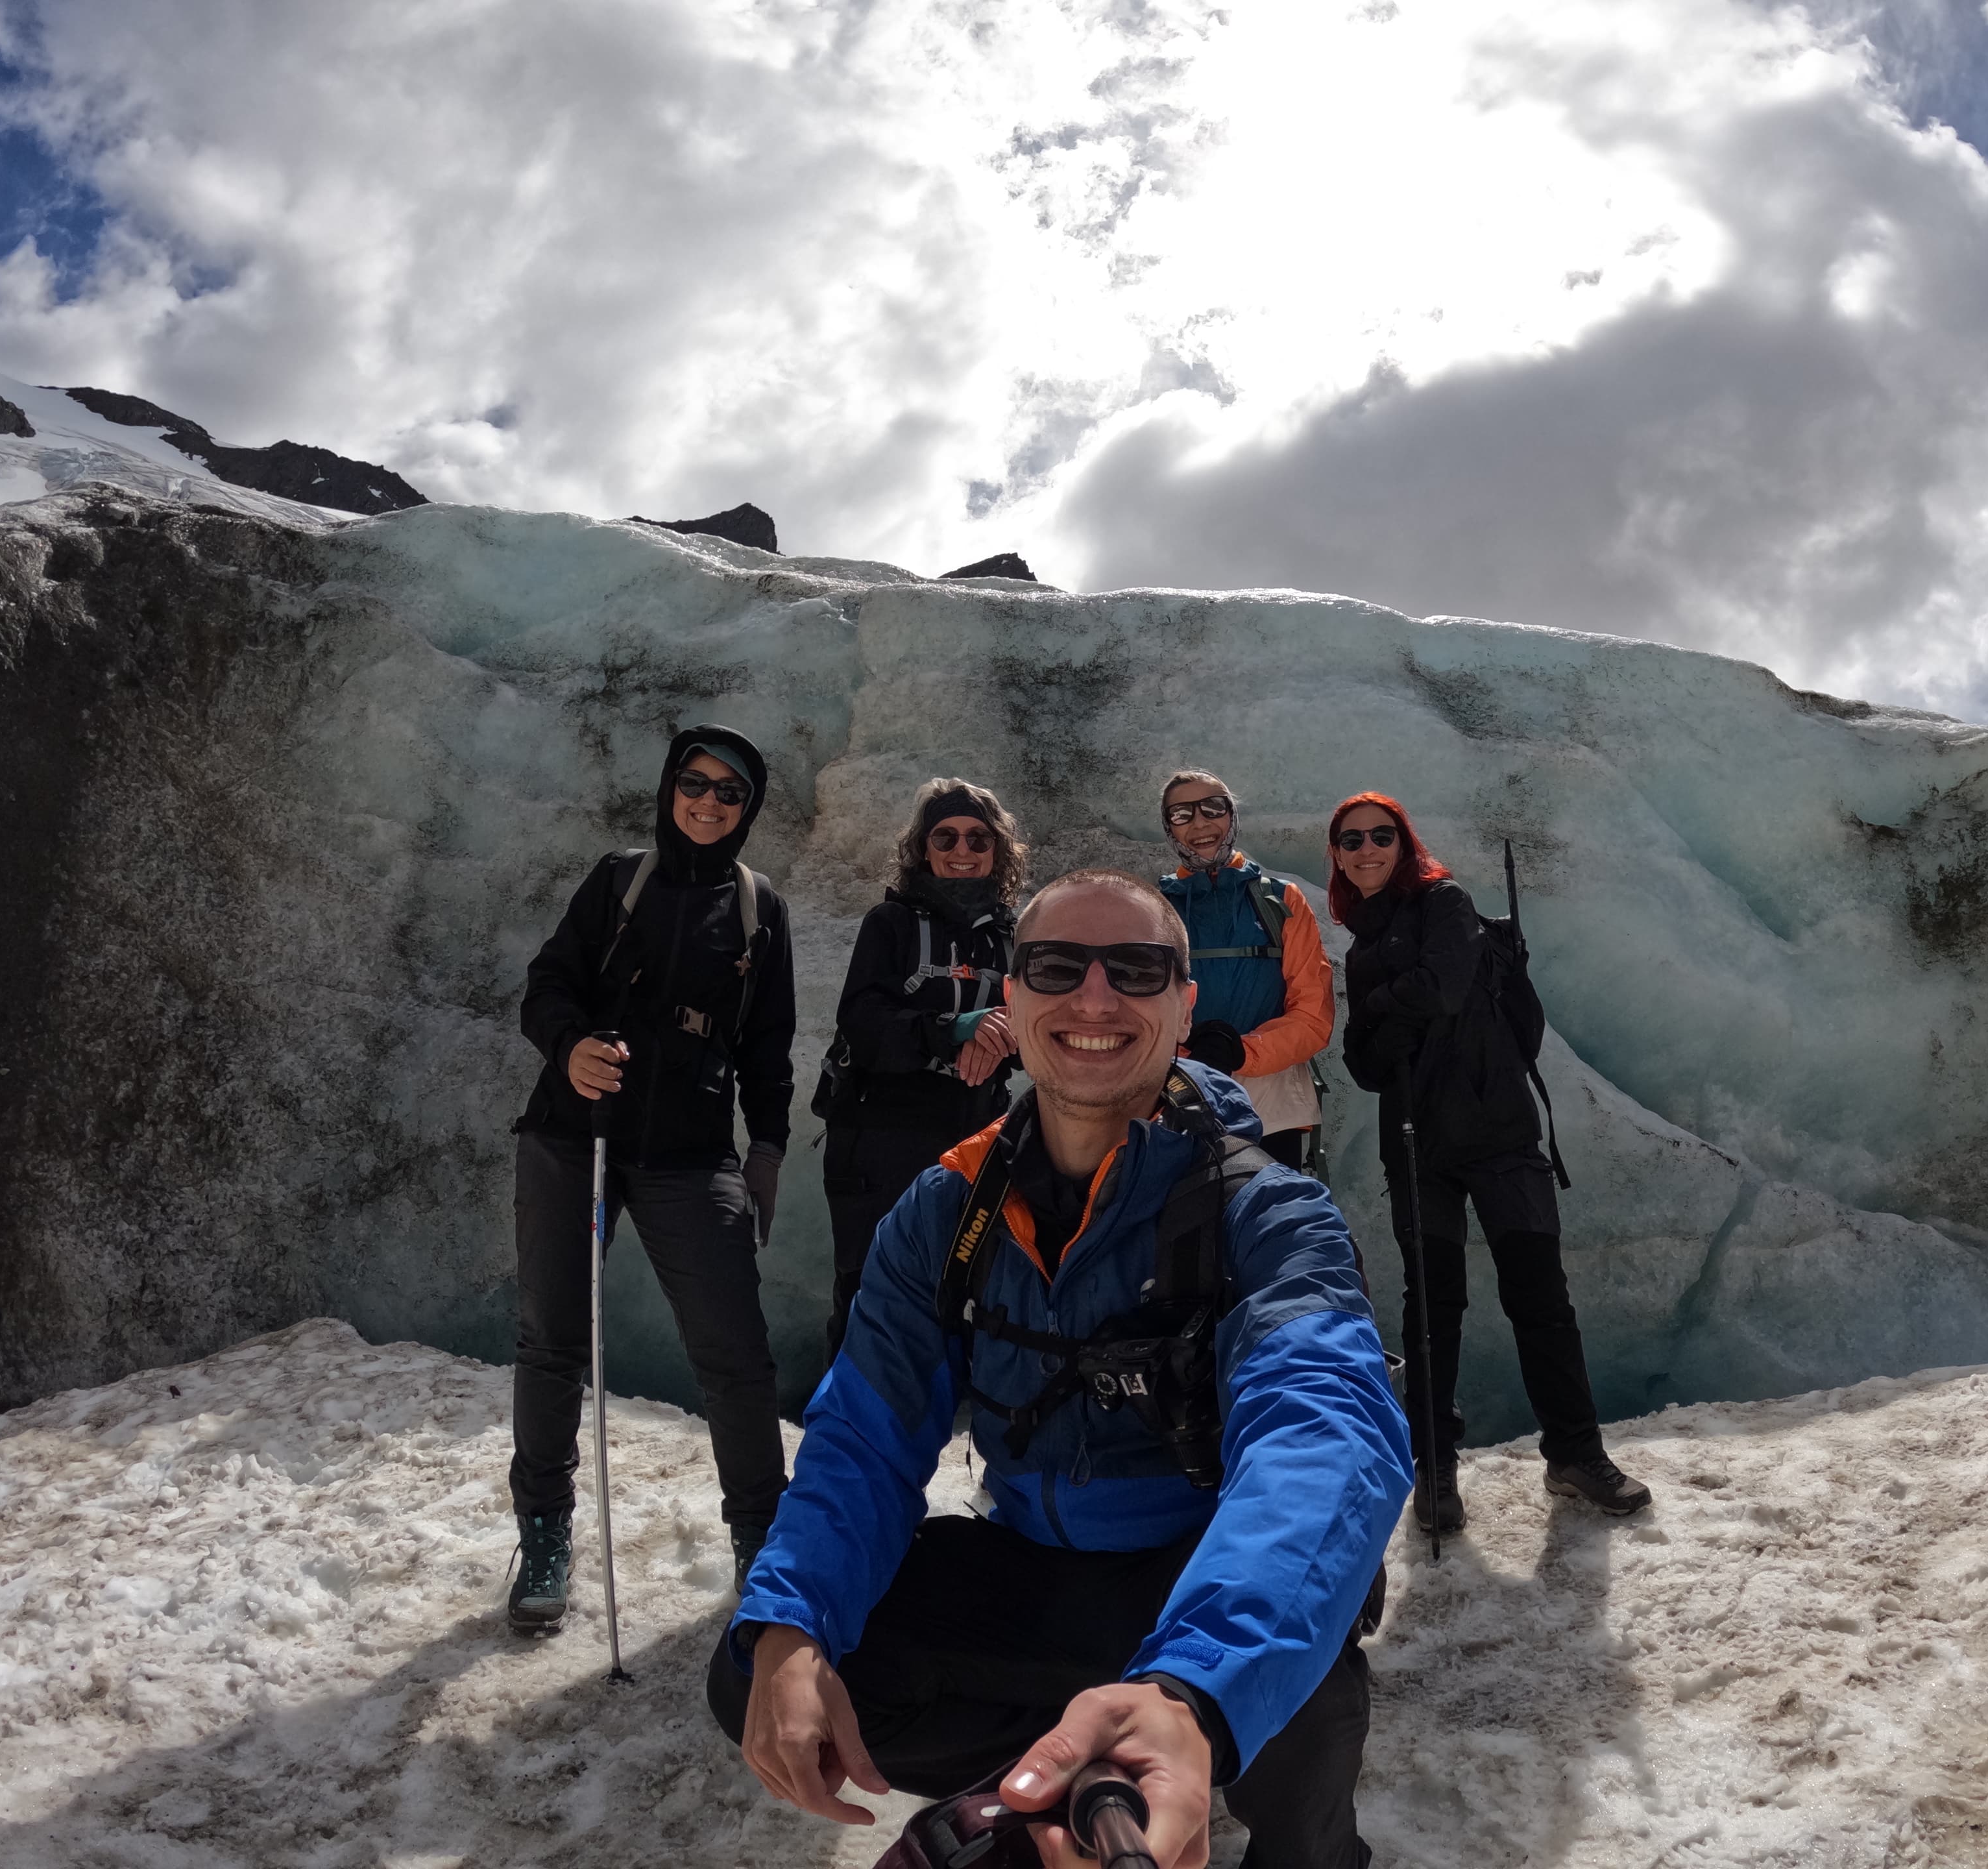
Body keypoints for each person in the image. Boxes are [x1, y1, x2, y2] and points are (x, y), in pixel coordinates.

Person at [712, 869, 1409, 1869]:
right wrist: (793, 1617)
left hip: (1196, 1568)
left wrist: (1192, 1687)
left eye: (1136, 969)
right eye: (1055, 966)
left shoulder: (1267, 1213)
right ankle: (1067, 1787)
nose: (1094, 998)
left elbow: (1326, 1431)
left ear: (1184, 1005)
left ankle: (1264, 1816)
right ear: (1012, 993)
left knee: (1302, 1692)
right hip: (1036, 1573)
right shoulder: (948, 1210)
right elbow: (865, 1437)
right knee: (762, 1665)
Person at [504, 726, 796, 1630]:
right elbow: (547, 987)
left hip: (691, 1151)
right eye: (695, 784)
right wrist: (570, 1047)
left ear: (748, 809)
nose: (709, 803)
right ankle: (545, 1536)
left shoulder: (759, 907)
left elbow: (767, 1045)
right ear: (670, 786)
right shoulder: (617, 880)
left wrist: (768, 1150)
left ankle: (762, 1537)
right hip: (574, 1135)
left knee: (734, 1356)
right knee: (554, 1342)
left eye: (730, 792)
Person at [1330, 791, 1649, 1535]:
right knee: (1431, 1310)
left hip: (1500, 1133)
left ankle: (1575, 1454)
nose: (1367, 849)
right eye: (1352, 841)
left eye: (1382, 836)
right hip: (1416, 1141)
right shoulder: (1360, 945)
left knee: (1540, 1297)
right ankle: (1434, 1468)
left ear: (1404, 844)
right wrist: (1386, 1021)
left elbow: (1440, 989)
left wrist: (1385, 1011)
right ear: (1339, 857)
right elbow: (1364, 1064)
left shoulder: (1446, 901)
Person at [816, 778, 1025, 1361]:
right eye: (946, 836)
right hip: (880, 1135)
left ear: (997, 851)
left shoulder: (1014, 937)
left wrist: (1003, 1032)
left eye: (979, 839)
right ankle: (856, 1433)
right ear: (923, 848)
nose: (963, 850)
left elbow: (1042, 1027)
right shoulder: (892, 924)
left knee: (968, 1290)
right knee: (871, 1288)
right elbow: (862, 1019)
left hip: (976, 1133)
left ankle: (951, 1430)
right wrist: (956, 1030)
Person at [1156, 771, 1335, 1176]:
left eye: (1213, 808)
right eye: (1182, 814)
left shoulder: (1280, 900)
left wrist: (1240, 1052)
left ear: (1232, 816)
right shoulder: (1155, 908)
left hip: (1271, 1103)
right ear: (1170, 828)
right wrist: (1194, 1062)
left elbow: (1312, 1014)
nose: (1200, 824)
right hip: (1179, 1093)